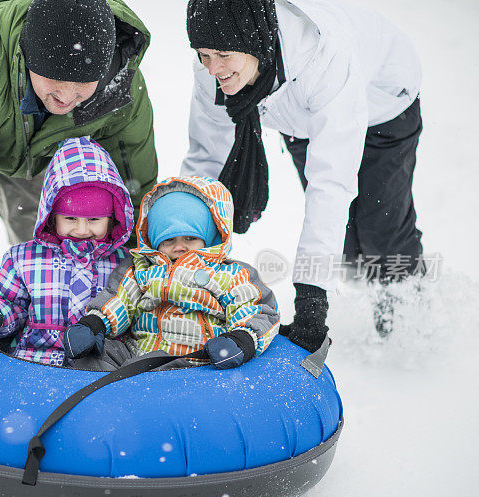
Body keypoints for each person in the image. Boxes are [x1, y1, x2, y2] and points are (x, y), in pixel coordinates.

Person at [0, 0, 158, 340]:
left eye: (81, 84)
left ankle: (38, 315)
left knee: (47, 224)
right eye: (54, 79)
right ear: (30, 59)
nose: (66, 96)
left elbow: (130, 185)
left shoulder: (118, 85)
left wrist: (142, 270)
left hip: (42, 127)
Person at [181, 0, 425, 347]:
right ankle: (365, 283)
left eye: (222, 54)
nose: (213, 68)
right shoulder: (217, 71)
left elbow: (330, 183)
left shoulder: (323, 58)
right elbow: (206, 158)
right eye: (203, 54)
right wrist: (180, 235)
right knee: (349, 237)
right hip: (300, 116)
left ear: (253, 42)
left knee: (380, 227)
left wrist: (311, 299)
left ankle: (410, 312)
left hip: (384, 105)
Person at [63, 175, 280, 371]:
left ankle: (128, 390)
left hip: (194, 360)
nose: (180, 247)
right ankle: (97, 400)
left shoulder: (230, 274)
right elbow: (120, 300)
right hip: (137, 353)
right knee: (93, 356)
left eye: (190, 238)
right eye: (168, 240)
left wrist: (241, 339)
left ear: (210, 236)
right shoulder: (141, 268)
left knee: (154, 366)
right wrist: (94, 324)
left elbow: (253, 308)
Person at [0, 136, 134, 366]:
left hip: (95, 371)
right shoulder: (24, 259)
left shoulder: (124, 264)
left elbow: (132, 313)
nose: (82, 229)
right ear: (52, 215)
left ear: (112, 219)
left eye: (94, 219)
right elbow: (11, 302)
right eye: (70, 218)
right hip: (32, 364)